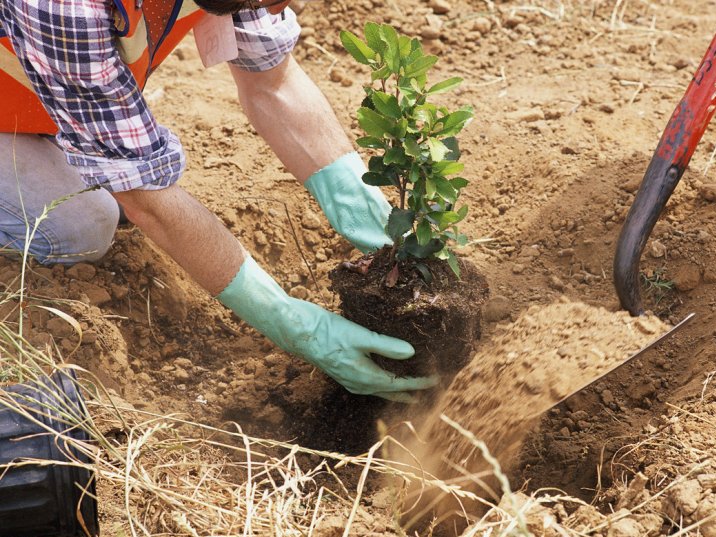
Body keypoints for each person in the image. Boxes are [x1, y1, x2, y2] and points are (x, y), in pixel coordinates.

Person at [0, 0, 436, 402]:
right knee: (78, 227)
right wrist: (290, 323)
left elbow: (271, 82)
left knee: (100, 180)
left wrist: (362, 209)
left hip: (37, 100)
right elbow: (145, 198)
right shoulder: (62, 6)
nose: (280, 4)